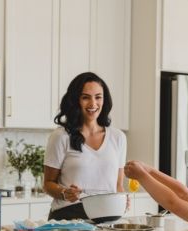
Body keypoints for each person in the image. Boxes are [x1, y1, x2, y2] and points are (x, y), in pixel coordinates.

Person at [43, 72, 127, 220]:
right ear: (76, 100)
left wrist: (122, 200)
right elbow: (48, 184)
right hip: (69, 218)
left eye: (98, 97)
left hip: (108, 219)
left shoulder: (118, 137)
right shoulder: (61, 136)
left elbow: (118, 185)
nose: (93, 104)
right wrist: (65, 192)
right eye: (85, 97)